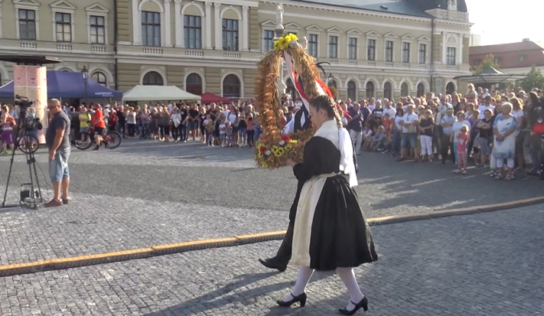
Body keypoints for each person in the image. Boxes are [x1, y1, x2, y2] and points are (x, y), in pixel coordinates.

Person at [276, 95, 377, 315]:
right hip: (339, 190)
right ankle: (298, 291)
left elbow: (305, 173)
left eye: (312, 114)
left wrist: (290, 162)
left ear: (322, 112)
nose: (310, 119)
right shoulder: (340, 133)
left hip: (322, 195)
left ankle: (357, 296)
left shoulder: (318, 141)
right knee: (317, 247)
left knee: (328, 248)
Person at [44, 99, 71, 207]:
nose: (49, 109)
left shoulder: (60, 117)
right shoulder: (58, 116)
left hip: (59, 149)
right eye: (48, 107)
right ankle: (64, 196)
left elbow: (59, 135)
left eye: (52, 107)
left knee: (56, 174)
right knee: (64, 173)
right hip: (62, 148)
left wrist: (53, 150)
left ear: (58, 106)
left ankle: (57, 198)